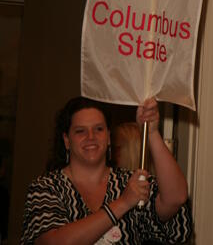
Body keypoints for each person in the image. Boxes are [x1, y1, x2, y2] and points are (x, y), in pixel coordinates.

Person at [21, 96, 192, 244]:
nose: (91, 137)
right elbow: (56, 242)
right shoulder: (46, 188)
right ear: (66, 140)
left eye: (99, 129)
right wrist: (123, 203)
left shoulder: (129, 183)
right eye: (80, 131)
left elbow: (175, 198)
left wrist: (152, 132)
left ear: (109, 137)